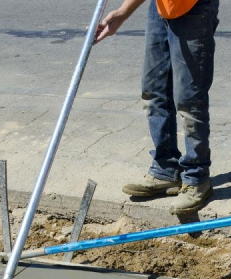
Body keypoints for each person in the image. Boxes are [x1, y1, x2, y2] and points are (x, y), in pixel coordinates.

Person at [94, 0, 219, 214]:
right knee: (155, 90)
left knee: (189, 99)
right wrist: (123, 13)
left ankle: (197, 179)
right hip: (161, 6)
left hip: (194, 7)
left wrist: (123, 12)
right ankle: (166, 168)